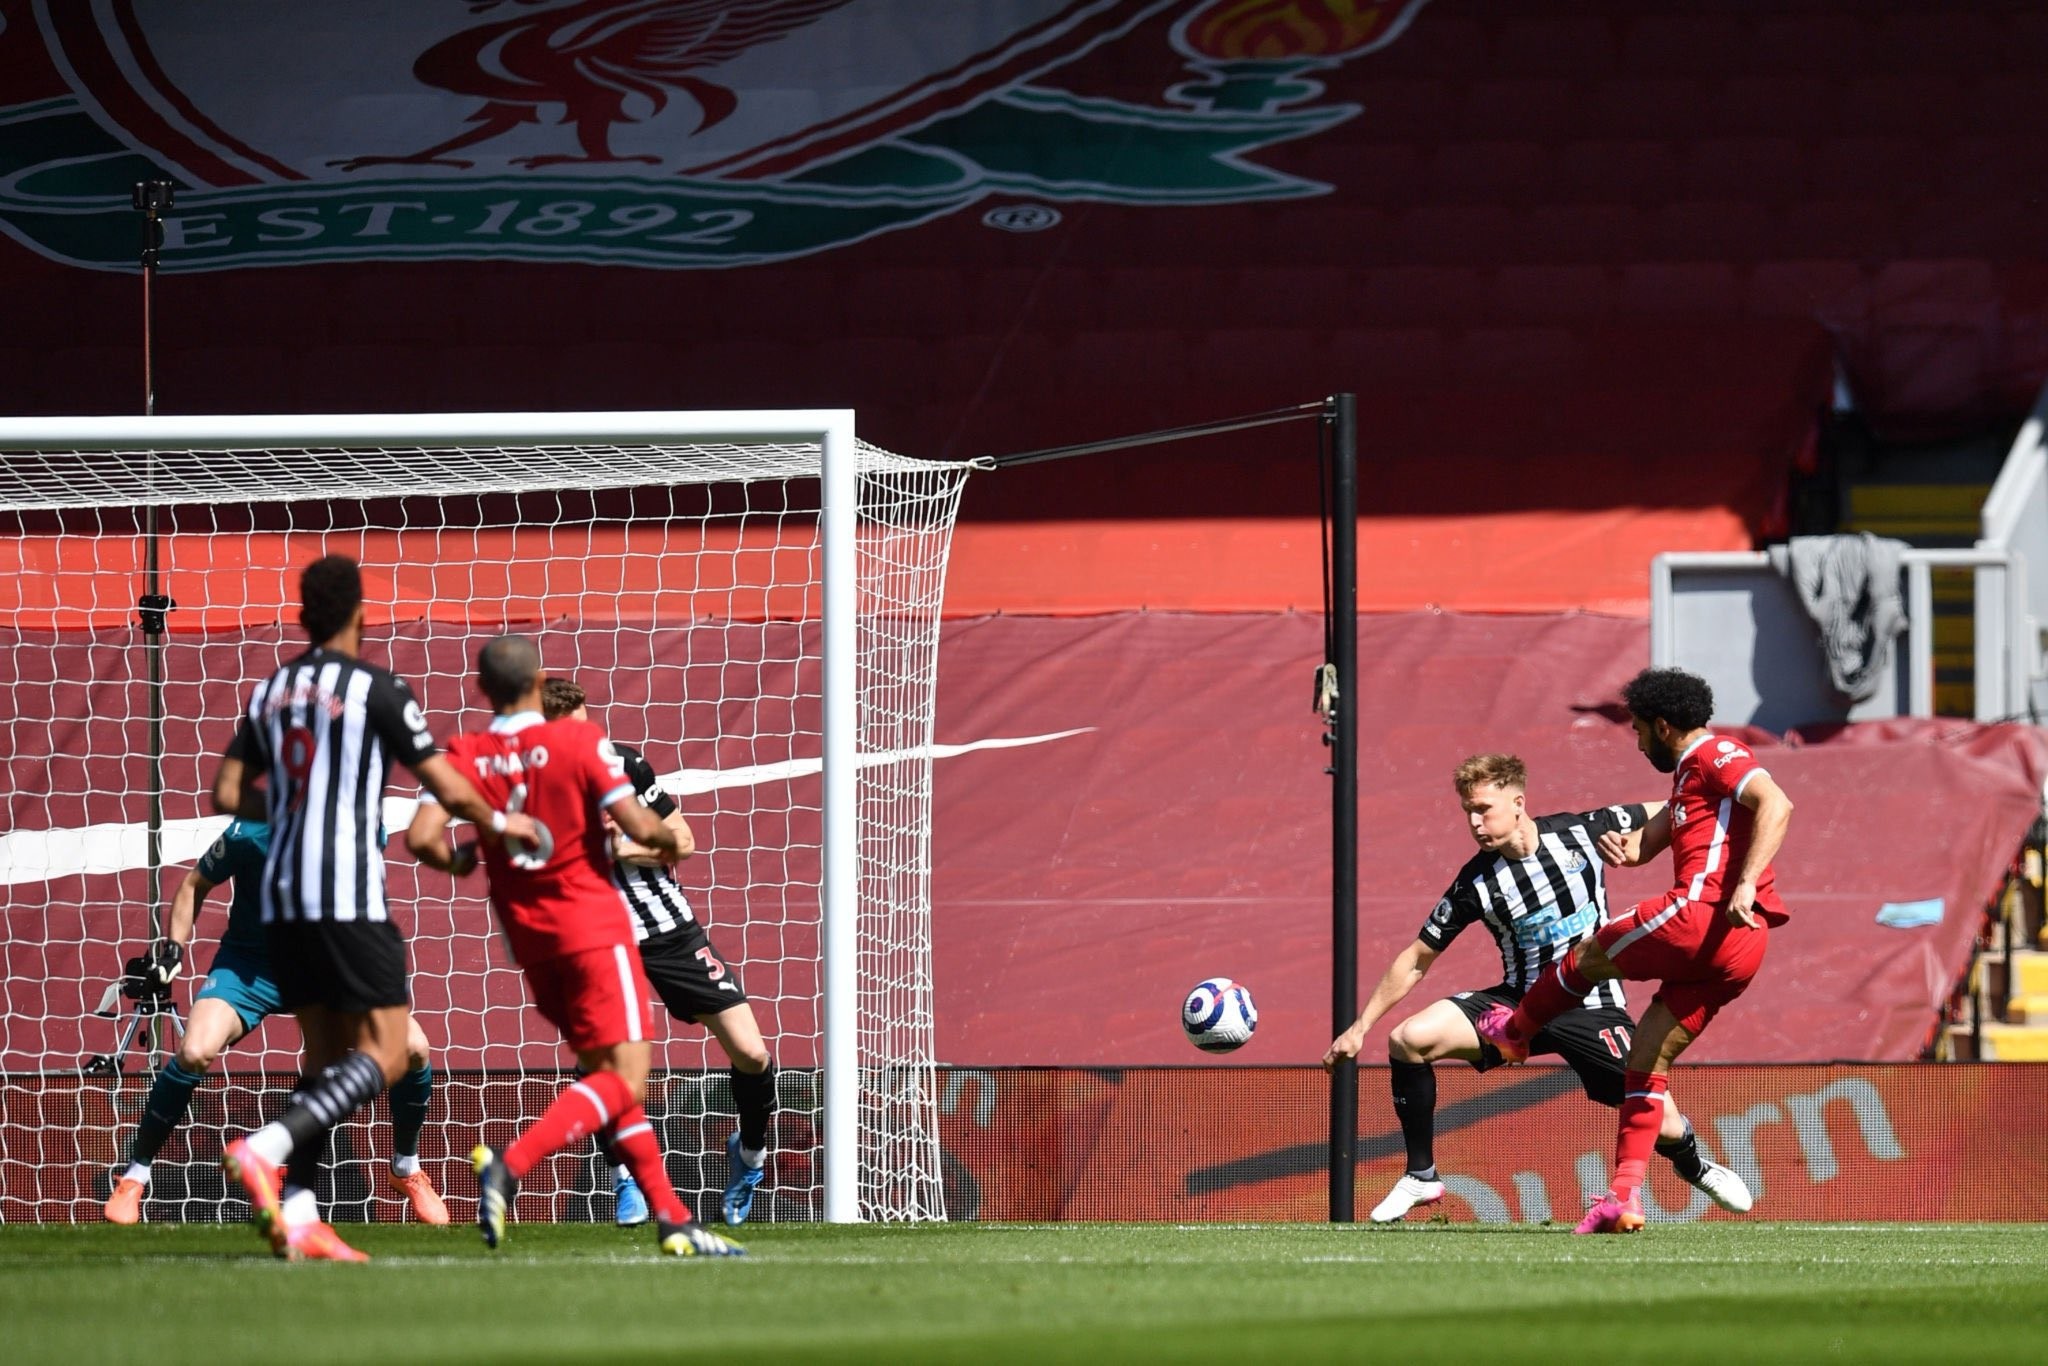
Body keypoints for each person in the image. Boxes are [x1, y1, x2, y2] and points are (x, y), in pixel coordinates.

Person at [211, 554, 531, 1262]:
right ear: (360, 614)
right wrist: (502, 825)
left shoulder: (273, 691)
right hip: (346, 896)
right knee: (389, 1053)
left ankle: (299, 1214)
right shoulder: (377, 689)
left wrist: (293, 807)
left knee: (323, 1059)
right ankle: (266, 1147)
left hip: (280, 900)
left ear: (303, 616)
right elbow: (444, 781)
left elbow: (228, 791)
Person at [406, 635, 742, 1257]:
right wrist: (661, 844)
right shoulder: (580, 742)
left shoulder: (465, 752)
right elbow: (645, 827)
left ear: (485, 690)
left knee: (607, 1073)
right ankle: (510, 1164)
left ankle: (671, 1216)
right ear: (538, 683)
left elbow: (422, 839)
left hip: (528, 940)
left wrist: (461, 860)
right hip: (593, 925)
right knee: (625, 1077)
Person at [1323, 754, 1750, 1224]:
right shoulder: (1476, 883)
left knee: (1664, 1124)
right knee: (1408, 1040)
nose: (1474, 822)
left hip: (1592, 1006)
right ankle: (1421, 1175)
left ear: (1519, 802)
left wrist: (1704, 821)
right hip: (1519, 1005)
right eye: (1467, 811)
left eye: (1483, 809)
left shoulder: (1582, 831)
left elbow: (1676, 808)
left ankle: (1693, 1164)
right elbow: (1417, 958)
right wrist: (1360, 1027)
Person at [1477, 669, 1794, 1235]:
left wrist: (1745, 883)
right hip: (1740, 949)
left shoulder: (1716, 753)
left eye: (1640, 731)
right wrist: (1629, 849)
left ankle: (1516, 1032)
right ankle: (1622, 1198)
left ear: (1664, 726)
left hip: (1702, 915)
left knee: (1584, 956)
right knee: (1644, 1067)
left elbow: (1777, 803)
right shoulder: (1687, 780)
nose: (1639, 742)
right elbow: (1659, 842)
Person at [103, 817, 448, 1227]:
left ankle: (405, 1167)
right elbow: (195, 883)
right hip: (252, 967)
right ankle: (135, 1175)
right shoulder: (253, 828)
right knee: (195, 1051)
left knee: (413, 1046)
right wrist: (174, 949)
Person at [540, 677, 776, 1228]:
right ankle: (628, 1178)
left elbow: (684, 841)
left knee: (751, 1053)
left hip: (670, 931)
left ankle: (749, 1157)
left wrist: (621, 843)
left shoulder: (625, 765)